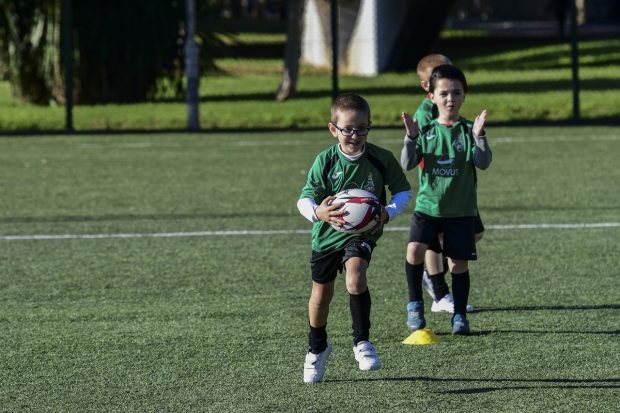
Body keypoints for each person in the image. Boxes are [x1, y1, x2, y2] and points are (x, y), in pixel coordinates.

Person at [297, 93, 413, 383]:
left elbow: (403, 191)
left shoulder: (380, 157)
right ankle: (317, 347)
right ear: (333, 129)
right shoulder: (325, 160)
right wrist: (318, 213)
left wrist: (388, 212)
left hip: (362, 235)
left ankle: (362, 341)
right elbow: (304, 199)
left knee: (355, 275)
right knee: (320, 297)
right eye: (348, 128)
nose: (355, 135)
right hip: (325, 238)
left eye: (362, 128)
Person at [400, 65, 492, 335]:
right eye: (444, 93)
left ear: (464, 95)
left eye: (457, 93)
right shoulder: (426, 129)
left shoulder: (467, 129)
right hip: (428, 208)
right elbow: (407, 163)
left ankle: (460, 316)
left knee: (457, 264)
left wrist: (479, 136)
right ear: (432, 97)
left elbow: (483, 163)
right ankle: (415, 303)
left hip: (460, 210)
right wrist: (410, 138)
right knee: (414, 251)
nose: (450, 98)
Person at [413, 54, 480, 315]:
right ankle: (439, 289)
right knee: (436, 241)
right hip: (437, 188)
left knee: (475, 234)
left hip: (458, 188)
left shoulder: (454, 107)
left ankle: (434, 278)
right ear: (427, 87)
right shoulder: (426, 113)